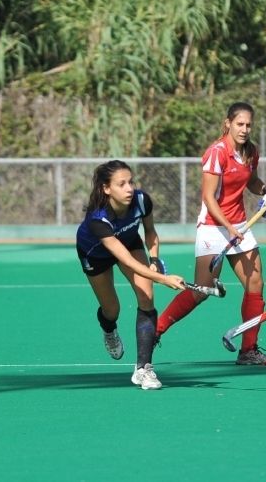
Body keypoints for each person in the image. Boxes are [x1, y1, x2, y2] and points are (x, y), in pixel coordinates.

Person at [156, 102, 266, 365]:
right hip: (214, 227)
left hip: (239, 226)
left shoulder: (250, 152)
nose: (245, 129)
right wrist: (230, 227)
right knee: (202, 290)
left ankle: (248, 350)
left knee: (255, 284)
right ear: (228, 123)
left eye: (248, 125)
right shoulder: (217, 152)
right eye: (240, 124)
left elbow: (252, 181)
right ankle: (155, 330)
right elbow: (209, 198)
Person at [76, 160, 185, 390]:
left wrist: (154, 260)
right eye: (121, 184)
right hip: (95, 253)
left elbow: (151, 232)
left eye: (131, 182)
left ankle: (143, 369)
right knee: (111, 309)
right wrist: (164, 279)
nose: (129, 188)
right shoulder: (98, 218)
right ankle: (109, 329)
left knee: (146, 296)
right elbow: (125, 260)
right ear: (106, 189)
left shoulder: (141, 200)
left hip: (129, 240)